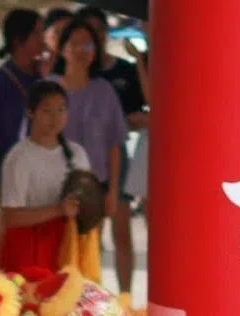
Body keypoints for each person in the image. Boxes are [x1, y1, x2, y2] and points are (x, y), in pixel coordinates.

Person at [77, 6, 146, 297]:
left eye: (100, 31)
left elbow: (145, 112)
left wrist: (140, 61)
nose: (96, 38)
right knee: (87, 236)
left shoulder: (123, 72)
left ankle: (126, 295)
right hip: (82, 164)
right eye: (88, 34)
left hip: (116, 157)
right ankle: (87, 295)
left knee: (122, 234)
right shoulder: (76, 75)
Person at [53, 18, 127, 269]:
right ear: (62, 49)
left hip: (95, 187)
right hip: (53, 187)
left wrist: (113, 191)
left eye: (87, 44)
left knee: (89, 255)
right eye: (75, 44)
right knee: (57, 253)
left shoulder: (104, 90)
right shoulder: (49, 88)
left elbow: (114, 144)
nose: (81, 50)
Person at [0, 80, 89, 276]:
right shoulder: (19, 157)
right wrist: (59, 210)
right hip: (30, 251)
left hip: (68, 245)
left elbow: (89, 203)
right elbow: (11, 217)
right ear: (31, 113)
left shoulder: (77, 153)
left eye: (61, 110)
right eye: (47, 111)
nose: (55, 118)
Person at [0, 9, 46, 264]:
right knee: (6, 240)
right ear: (20, 40)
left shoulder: (44, 75)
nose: (43, 40)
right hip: (6, 174)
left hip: (38, 174)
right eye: (38, 33)